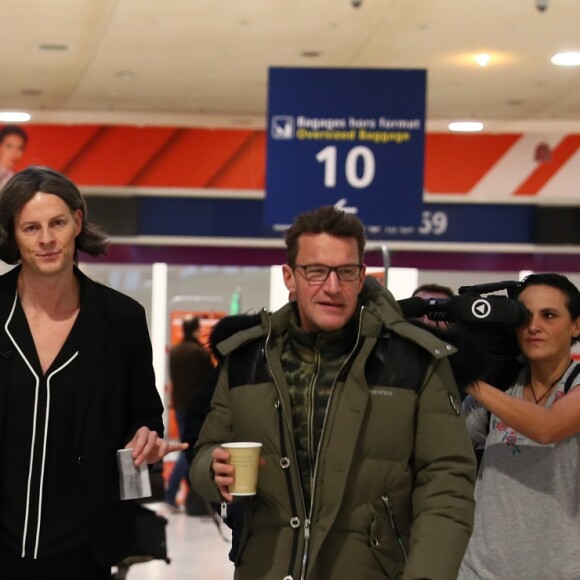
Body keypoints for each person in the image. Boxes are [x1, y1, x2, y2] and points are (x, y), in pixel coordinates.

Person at [190, 205, 476, 580]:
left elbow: (447, 481)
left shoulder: (415, 361)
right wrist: (213, 468)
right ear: (290, 276)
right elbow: (206, 449)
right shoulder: (247, 358)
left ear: (361, 277)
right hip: (267, 567)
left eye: (345, 271)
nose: (332, 287)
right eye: (316, 271)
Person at [0, 166, 185, 580]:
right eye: (31, 227)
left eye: (57, 223)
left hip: (85, 550)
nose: (46, 239)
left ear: (77, 222)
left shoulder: (120, 319)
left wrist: (146, 436)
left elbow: (144, 413)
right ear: (13, 235)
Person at [458, 273, 580, 579]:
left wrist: (468, 375)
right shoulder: (501, 388)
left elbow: (548, 427)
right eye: (524, 316)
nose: (533, 326)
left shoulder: (575, 383)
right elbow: (442, 444)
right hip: (479, 570)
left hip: (559, 571)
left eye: (549, 315)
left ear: (576, 325)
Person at [165, 316, 214, 510]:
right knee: (190, 452)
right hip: (196, 410)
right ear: (196, 330)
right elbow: (211, 380)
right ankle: (172, 492)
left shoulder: (175, 352)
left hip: (179, 407)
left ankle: (182, 496)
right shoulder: (199, 353)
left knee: (187, 450)